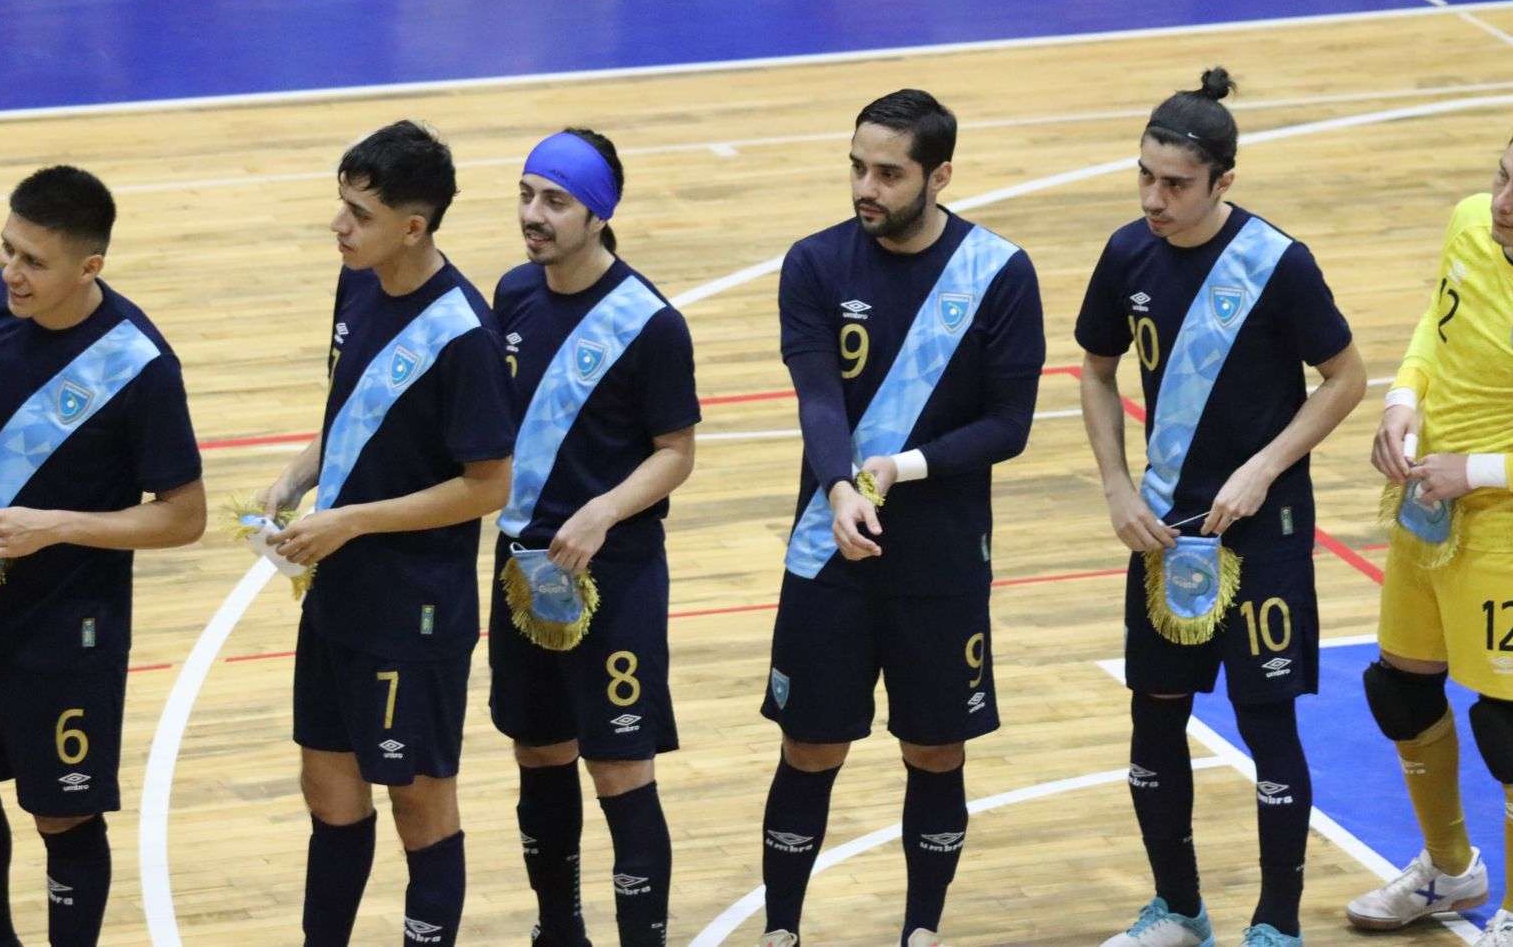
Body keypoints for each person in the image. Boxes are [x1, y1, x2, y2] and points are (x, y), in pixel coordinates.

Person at [1076, 68, 1365, 947]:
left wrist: (1266, 467)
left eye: (1176, 185)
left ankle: (1276, 924)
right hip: (1164, 526)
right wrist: (1119, 488)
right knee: (1154, 713)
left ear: (1224, 182)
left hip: (1262, 529)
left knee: (1265, 715)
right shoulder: (1128, 253)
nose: (1155, 199)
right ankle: (1178, 909)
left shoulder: (1279, 265)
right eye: (1145, 177)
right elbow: (1093, 367)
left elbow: (1346, 378)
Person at [756, 88, 1045, 947]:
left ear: (939, 174)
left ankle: (922, 929)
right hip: (830, 552)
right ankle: (781, 930)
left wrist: (900, 468)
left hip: (944, 559)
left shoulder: (998, 272)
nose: (865, 187)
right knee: (810, 746)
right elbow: (818, 401)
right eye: (857, 167)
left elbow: (1009, 425)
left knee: (935, 749)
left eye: (888, 172)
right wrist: (842, 487)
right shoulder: (814, 264)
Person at [0, 165, 207, 946]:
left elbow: (185, 518)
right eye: (7, 250)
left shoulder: (140, 367)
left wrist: (55, 527)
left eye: (33, 263)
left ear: (89, 269)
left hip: (71, 624)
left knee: (62, 807)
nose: (12, 273)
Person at [257, 121, 515, 946]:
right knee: (328, 792)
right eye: (341, 205)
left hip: (415, 608)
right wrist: (297, 478)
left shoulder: (466, 336)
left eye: (358, 213)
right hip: (338, 590)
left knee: (418, 799)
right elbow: (351, 414)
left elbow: (489, 487)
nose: (340, 226)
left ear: (414, 225)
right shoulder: (358, 282)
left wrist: (350, 520)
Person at [488, 127, 698, 947]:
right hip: (519, 572)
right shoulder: (513, 294)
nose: (533, 215)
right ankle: (558, 931)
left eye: (555, 201)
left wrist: (605, 509)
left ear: (598, 214)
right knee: (537, 756)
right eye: (527, 194)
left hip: (616, 579)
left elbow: (676, 453)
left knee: (619, 772)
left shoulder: (650, 324)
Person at [1346, 134, 1513, 945]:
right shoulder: (1471, 224)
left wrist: (1477, 470)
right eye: (1504, 177)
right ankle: (1451, 872)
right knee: (1401, 691)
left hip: (1503, 528)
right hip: (1427, 508)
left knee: (1512, 729)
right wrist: (1400, 401)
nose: (1505, 204)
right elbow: (1435, 325)